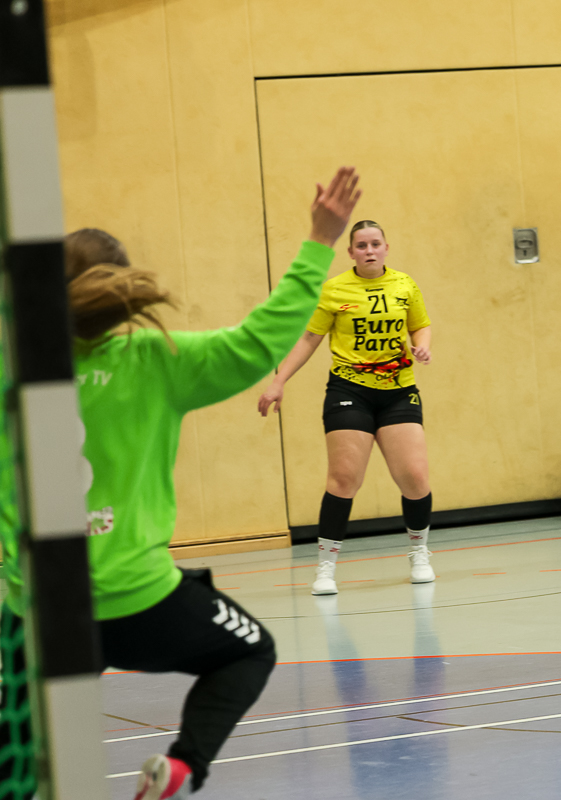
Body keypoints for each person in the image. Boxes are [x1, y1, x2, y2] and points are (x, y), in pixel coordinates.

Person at [1, 167, 362, 799]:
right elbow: (260, 341)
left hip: (37, 608)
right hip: (138, 597)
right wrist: (319, 240)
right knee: (249, 651)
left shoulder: (14, 370)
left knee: (29, 769)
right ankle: (181, 767)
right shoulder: (154, 362)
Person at [258, 219, 434, 596]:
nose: (369, 250)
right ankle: (326, 567)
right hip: (350, 389)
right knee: (343, 479)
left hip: (399, 390)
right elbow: (309, 339)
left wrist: (422, 345)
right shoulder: (335, 290)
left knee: (415, 478)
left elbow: (420, 325)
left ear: (386, 248)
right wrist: (278, 381)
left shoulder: (405, 284)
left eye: (375, 243)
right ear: (351, 252)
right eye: (361, 245)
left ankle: (419, 553)